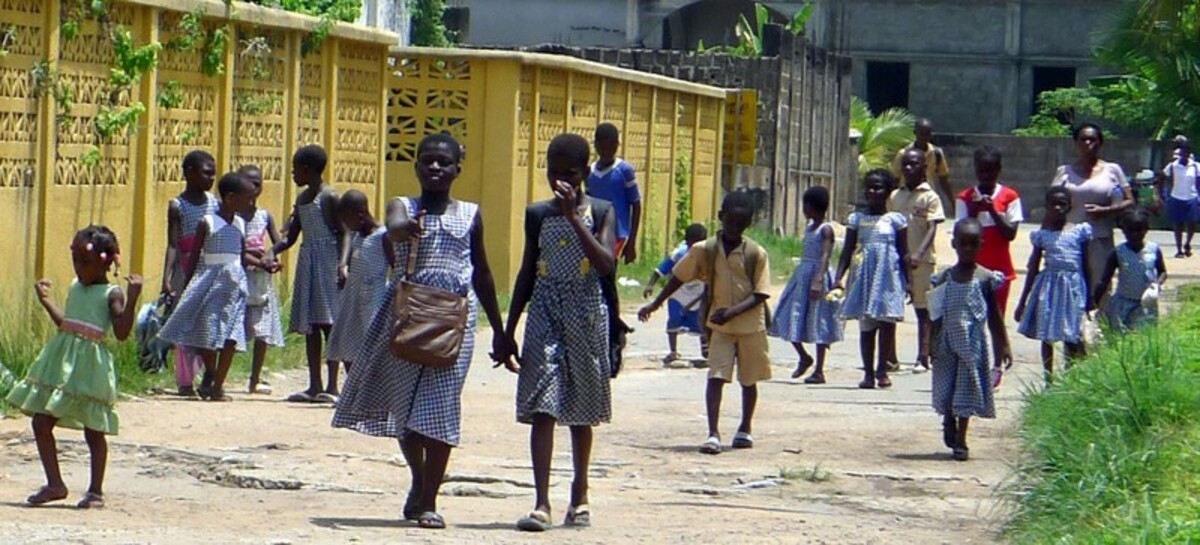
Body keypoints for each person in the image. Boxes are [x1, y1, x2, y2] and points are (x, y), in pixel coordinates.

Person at [333, 133, 512, 530]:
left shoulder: (470, 214)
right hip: (404, 317)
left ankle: (429, 499)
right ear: (416, 167)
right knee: (406, 412)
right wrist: (404, 229)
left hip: (453, 322)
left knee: (441, 408)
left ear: (456, 170)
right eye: (427, 161)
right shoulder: (403, 207)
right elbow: (394, 227)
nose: (435, 168)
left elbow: (482, 272)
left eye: (443, 163)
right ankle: (420, 477)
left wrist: (500, 330)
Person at [504, 133, 615, 532]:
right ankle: (541, 502)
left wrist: (573, 217)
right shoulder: (536, 214)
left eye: (569, 173)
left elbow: (605, 264)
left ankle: (580, 493)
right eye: (554, 173)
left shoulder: (601, 211)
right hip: (545, 313)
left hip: (585, 313)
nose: (561, 181)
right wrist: (508, 329)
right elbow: (526, 272)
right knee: (543, 405)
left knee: (581, 410)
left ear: (585, 172)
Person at [6, 226, 142, 509]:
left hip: (90, 368)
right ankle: (55, 484)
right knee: (41, 422)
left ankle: (95, 491)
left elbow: (121, 332)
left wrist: (133, 298)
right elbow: (67, 323)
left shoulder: (111, 293)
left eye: (85, 261)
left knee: (93, 430)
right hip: (62, 364)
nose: (78, 267)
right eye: (75, 260)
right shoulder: (74, 287)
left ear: (106, 262)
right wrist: (46, 302)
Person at [639, 191, 771, 455]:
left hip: (749, 326)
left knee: (749, 380)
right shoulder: (705, 250)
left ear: (748, 224)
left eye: (740, 224)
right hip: (720, 327)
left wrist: (732, 311)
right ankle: (713, 433)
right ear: (721, 218)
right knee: (716, 377)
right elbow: (678, 277)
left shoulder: (756, 253)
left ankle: (745, 427)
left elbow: (760, 293)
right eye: (730, 222)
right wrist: (656, 303)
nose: (734, 228)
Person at [159, 173, 269, 402]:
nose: (250, 204)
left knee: (231, 338)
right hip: (210, 285)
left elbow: (240, 254)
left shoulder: (239, 223)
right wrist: (187, 286)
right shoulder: (207, 223)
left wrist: (264, 263)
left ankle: (218, 385)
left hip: (235, 289)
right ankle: (211, 374)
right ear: (230, 198)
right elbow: (195, 257)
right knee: (207, 336)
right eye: (246, 199)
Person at [928, 219, 1011, 462]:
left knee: (966, 390)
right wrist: (927, 345)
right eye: (962, 244)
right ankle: (948, 420)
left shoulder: (985, 279)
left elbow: (995, 317)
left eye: (973, 244)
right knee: (947, 390)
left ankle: (962, 437)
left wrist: (1002, 346)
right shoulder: (944, 278)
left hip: (972, 348)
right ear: (954, 244)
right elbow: (934, 315)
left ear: (981, 245)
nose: (967, 249)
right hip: (945, 345)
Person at [273, 145, 345, 404]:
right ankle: (314, 384)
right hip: (308, 263)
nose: (293, 175)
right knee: (311, 325)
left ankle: (333, 385)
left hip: (328, 262)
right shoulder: (303, 200)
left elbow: (344, 232)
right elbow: (291, 237)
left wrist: (342, 264)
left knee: (329, 323)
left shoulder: (329, 197)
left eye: (294, 170)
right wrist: (272, 252)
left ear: (307, 170)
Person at [834, 169, 909, 389]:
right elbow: (847, 251)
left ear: (888, 192)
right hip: (864, 278)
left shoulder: (896, 220)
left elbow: (904, 252)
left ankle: (882, 371)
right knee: (866, 327)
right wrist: (838, 277)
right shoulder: (857, 219)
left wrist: (910, 282)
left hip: (888, 278)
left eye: (878, 187)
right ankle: (867, 373)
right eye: (869, 187)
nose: (873, 191)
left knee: (887, 324)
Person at [1014, 187, 1092, 382]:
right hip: (1049, 288)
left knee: (1071, 333)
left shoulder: (1079, 231)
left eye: (1062, 204)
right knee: (1047, 334)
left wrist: (1091, 296)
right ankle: (1048, 378)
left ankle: (1071, 377)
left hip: (1073, 287)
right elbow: (1033, 267)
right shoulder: (1043, 236)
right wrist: (1023, 301)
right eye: (1053, 204)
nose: (1058, 208)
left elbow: (1087, 265)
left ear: (1070, 206)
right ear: (1046, 207)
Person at [768, 185, 842, 384]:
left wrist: (818, 279)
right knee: (787, 315)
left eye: (805, 205)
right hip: (802, 276)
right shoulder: (809, 228)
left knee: (819, 321)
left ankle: (819, 369)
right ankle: (803, 356)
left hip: (817, 276)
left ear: (812, 206)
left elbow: (825, 255)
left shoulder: (825, 229)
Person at [1052, 123, 1134, 301]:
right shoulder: (1064, 172)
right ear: (1075, 143)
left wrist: (1106, 211)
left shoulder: (1112, 170)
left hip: (1100, 238)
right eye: (1083, 139)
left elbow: (1130, 200)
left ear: (1100, 143)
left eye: (1093, 139)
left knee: (1100, 286)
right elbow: (1052, 204)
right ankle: (1073, 326)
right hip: (1069, 238)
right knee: (1070, 285)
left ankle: (1099, 326)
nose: (1088, 143)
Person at [161, 150, 218, 397]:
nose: (211, 178)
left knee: (209, 323)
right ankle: (185, 382)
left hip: (210, 269)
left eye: (213, 174)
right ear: (189, 173)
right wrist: (167, 278)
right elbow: (173, 244)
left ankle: (210, 376)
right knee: (184, 324)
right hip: (185, 272)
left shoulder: (215, 202)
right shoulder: (178, 206)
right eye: (207, 173)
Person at [889, 148, 946, 372]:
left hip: (921, 262)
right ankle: (890, 357)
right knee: (890, 310)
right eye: (905, 164)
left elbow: (932, 228)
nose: (909, 168)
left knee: (923, 310)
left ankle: (923, 356)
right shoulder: (895, 197)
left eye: (914, 164)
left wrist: (919, 254)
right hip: (896, 261)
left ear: (924, 168)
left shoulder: (930, 197)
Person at [325, 190, 390, 372]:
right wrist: (344, 271)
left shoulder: (382, 236)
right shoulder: (358, 236)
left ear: (360, 214)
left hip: (373, 299)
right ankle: (353, 389)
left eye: (347, 220)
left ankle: (369, 389)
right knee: (347, 344)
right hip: (353, 296)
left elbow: (395, 265)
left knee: (371, 344)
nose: (346, 225)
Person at [955, 146, 1022, 315]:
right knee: (969, 318)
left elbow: (1010, 234)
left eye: (991, 171)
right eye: (982, 171)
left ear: (999, 170)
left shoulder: (1010, 197)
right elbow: (961, 234)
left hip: (1000, 270)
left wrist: (992, 210)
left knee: (997, 318)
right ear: (975, 169)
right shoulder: (964, 197)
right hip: (971, 270)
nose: (986, 176)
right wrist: (974, 210)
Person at [238, 165, 284, 395]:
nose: (254, 188)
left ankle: (255, 378)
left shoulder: (264, 216)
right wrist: (258, 259)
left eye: (257, 184)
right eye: (248, 183)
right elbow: (235, 248)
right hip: (238, 279)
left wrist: (272, 258)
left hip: (260, 282)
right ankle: (217, 376)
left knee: (262, 332)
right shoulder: (233, 217)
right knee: (232, 328)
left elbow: (278, 242)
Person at [641, 223, 709, 366]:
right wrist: (650, 285)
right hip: (677, 292)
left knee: (701, 320)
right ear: (687, 241)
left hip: (697, 292)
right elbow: (661, 269)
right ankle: (673, 351)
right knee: (674, 319)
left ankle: (706, 347)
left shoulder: (708, 254)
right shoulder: (679, 254)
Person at [1095, 209, 1167, 333]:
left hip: (1146, 304)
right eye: (1130, 231)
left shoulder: (1153, 249)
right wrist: (1094, 301)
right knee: (1120, 338)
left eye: (1139, 230)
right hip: (1123, 303)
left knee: (1143, 337)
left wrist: (1157, 284)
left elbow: (1163, 272)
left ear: (1146, 230)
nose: (1134, 234)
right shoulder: (1118, 252)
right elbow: (1104, 279)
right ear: (1123, 231)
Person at [585, 122, 641, 264]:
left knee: (607, 267)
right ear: (596, 146)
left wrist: (632, 241)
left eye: (611, 146)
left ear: (617, 145)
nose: (607, 151)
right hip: (593, 231)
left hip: (617, 232)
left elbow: (636, 204)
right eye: (603, 147)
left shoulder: (624, 171)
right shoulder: (590, 172)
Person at [891, 118, 953, 205]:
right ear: (915, 133)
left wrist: (953, 203)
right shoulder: (903, 154)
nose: (924, 137)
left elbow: (944, 180)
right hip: (906, 196)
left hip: (927, 197)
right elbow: (895, 180)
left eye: (927, 134)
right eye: (921, 134)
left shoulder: (936, 153)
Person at [1161, 136, 1199, 258]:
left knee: (1192, 223)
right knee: (1178, 224)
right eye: (1182, 153)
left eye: (1186, 153)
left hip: (1191, 197)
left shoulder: (1196, 167)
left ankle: (1187, 243)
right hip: (1176, 197)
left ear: (1189, 154)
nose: (1184, 156)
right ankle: (1179, 249)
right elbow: (1161, 178)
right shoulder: (1172, 166)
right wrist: (1163, 194)